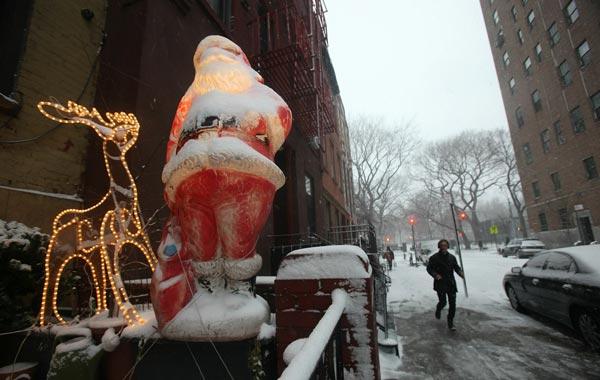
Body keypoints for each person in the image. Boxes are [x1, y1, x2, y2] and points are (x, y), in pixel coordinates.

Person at [426, 239, 464, 331]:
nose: (443, 247)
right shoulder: (434, 258)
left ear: (447, 247)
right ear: (439, 246)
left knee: (452, 304)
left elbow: (456, 267)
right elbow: (429, 268)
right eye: (442, 245)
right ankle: (438, 309)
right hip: (440, 283)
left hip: (450, 283)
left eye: (445, 245)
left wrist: (460, 272)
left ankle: (450, 321)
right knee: (443, 302)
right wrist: (435, 275)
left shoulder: (452, 257)